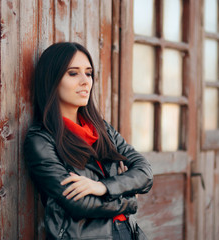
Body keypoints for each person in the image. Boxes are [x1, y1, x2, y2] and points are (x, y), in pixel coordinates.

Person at [24, 42, 153, 239]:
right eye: (73, 73)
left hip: (127, 232)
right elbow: (78, 203)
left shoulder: (102, 129)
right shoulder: (41, 140)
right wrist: (130, 201)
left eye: (89, 73)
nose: (85, 81)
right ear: (52, 80)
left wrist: (103, 187)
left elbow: (144, 172)